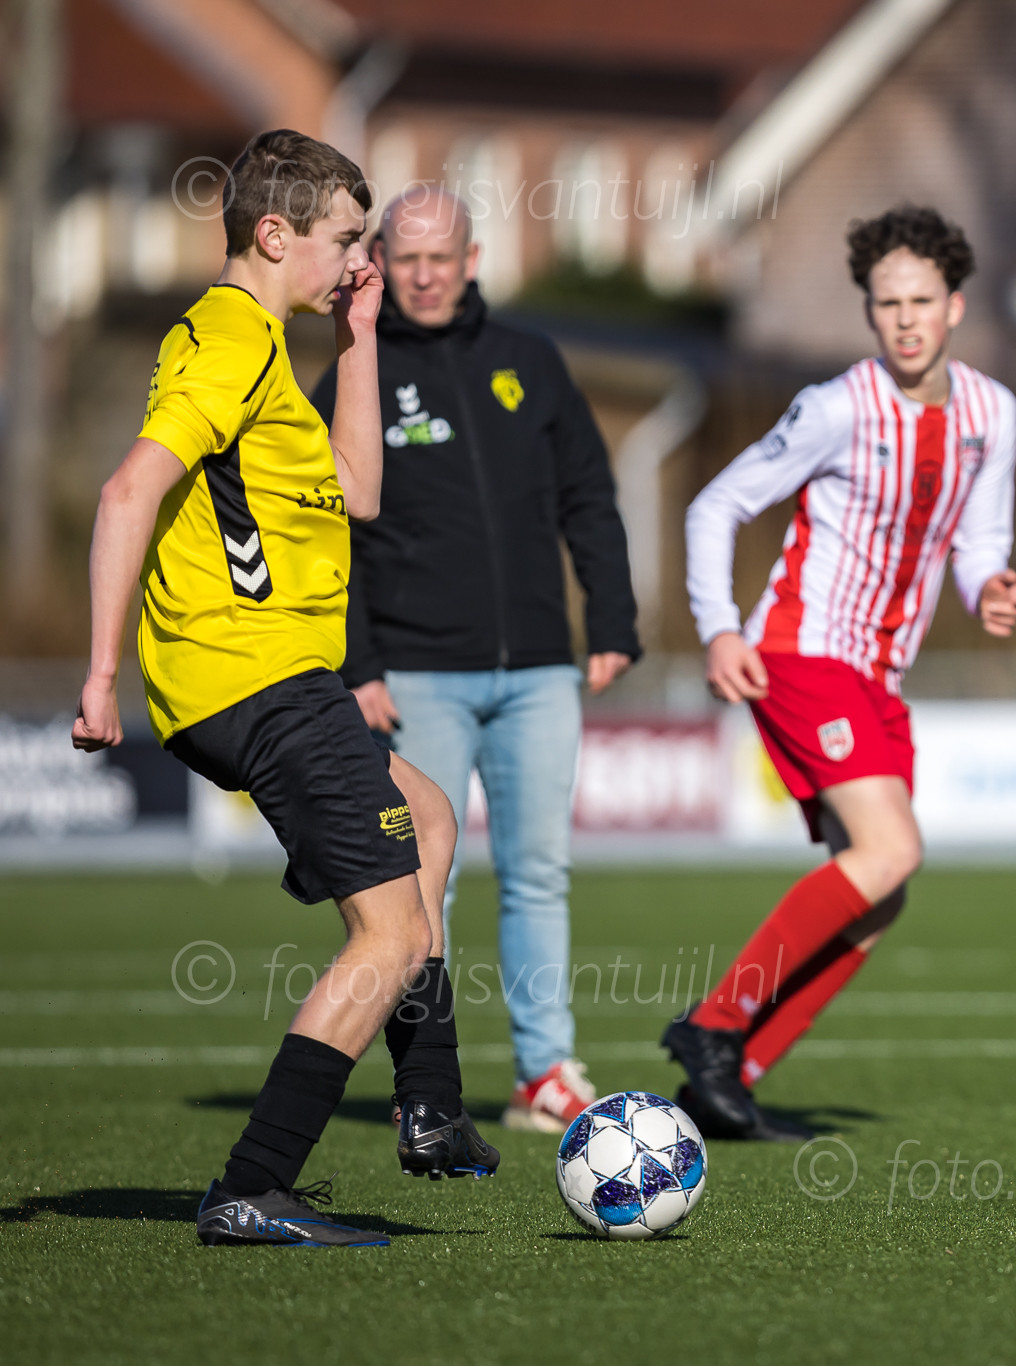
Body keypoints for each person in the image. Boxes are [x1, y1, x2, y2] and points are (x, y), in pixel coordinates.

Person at [72, 130, 497, 1249]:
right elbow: (127, 492)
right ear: (273, 233)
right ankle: (253, 1185)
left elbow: (356, 490)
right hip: (251, 677)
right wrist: (101, 673)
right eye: (346, 240)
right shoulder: (228, 340)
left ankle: (431, 1107)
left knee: (430, 819)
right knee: (388, 936)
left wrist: (359, 336)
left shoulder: (266, 348)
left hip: (273, 678)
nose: (360, 260)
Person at [663, 205, 1016, 1141]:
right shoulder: (836, 407)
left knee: (877, 895)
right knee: (890, 851)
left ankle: (730, 1083)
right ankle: (714, 1024)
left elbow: (979, 538)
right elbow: (715, 506)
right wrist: (719, 629)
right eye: (886, 304)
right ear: (869, 312)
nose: (905, 320)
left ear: (954, 306)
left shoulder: (992, 412)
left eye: (922, 301)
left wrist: (988, 585)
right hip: (801, 654)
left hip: (879, 676)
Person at [312, 185, 640, 1134]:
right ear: (381, 261)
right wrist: (358, 663)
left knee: (538, 872)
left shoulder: (530, 361)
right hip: (414, 677)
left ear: (472, 259)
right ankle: (429, 1083)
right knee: (422, 884)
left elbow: (589, 495)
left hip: (538, 669)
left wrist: (611, 620)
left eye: (440, 259)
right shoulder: (354, 373)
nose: (423, 276)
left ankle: (545, 1072)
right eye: (406, 259)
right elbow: (328, 534)